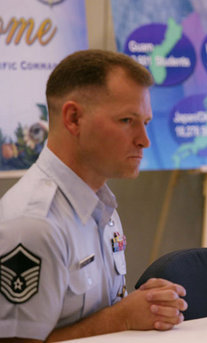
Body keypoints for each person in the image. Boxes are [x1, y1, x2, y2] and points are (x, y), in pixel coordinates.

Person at [0, 49, 187, 342]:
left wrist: (141, 305)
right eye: (127, 120)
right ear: (73, 119)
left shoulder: (101, 204)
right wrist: (122, 317)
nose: (144, 140)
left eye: (146, 122)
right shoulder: (34, 223)